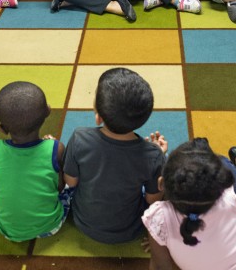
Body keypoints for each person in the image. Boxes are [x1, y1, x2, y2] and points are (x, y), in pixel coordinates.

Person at [142, 139, 236, 270]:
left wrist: (159, 239)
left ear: (161, 184)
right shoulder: (225, 194)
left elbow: (160, 267)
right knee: (222, 161)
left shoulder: (157, 220)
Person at [63, 68, 167, 244]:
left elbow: (71, 182)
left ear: (98, 117)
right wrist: (159, 155)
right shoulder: (152, 155)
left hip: (83, 221)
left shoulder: (79, 138)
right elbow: (153, 199)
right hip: (130, 228)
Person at [0, 81, 72, 242]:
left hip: (6, 229)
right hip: (50, 226)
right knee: (69, 186)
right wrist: (51, 146)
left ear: (3, 129)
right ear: (48, 113)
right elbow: (59, 188)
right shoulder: (56, 149)